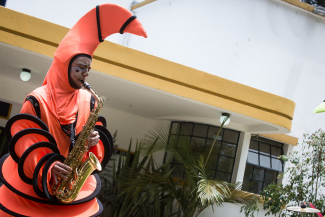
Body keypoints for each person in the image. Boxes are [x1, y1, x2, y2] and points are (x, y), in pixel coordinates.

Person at [0, 3, 147, 216]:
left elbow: (90, 140)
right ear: (63, 66)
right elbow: (26, 141)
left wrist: (92, 142)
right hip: (35, 184)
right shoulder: (36, 99)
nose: (84, 75)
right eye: (79, 68)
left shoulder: (89, 101)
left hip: (68, 187)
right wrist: (48, 167)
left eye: (88, 69)